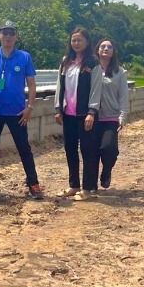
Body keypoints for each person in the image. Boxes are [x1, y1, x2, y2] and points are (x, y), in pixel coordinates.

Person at [0, 20, 43, 199]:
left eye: (11, 33)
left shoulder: (24, 57)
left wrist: (29, 107)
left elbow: (31, 84)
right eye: (4, 33)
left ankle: (33, 183)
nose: (8, 36)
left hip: (17, 112)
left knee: (24, 148)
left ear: (16, 36)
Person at [54, 27, 103, 201]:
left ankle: (88, 188)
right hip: (68, 114)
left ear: (87, 42)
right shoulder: (65, 62)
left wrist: (92, 111)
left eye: (79, 40)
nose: (76, 43)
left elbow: (96, 89)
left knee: (88, 150)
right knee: (70, 149)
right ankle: (74, 185)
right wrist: (58, 108)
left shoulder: (93, 63)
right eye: (73, 40)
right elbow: (60, 87)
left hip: (85, 115)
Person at [94, 38, 129, 191]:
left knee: (109, 148)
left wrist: (122, 116)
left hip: (111, 117)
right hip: (92, 116)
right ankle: (90, 184)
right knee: (93, 150)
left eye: (109, 47)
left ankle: (106, 170)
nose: (106, 49)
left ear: (113, 51)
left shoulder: (119, 72)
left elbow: (123, 96)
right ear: (97, 50)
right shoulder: (91, 68)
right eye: (103, 46)